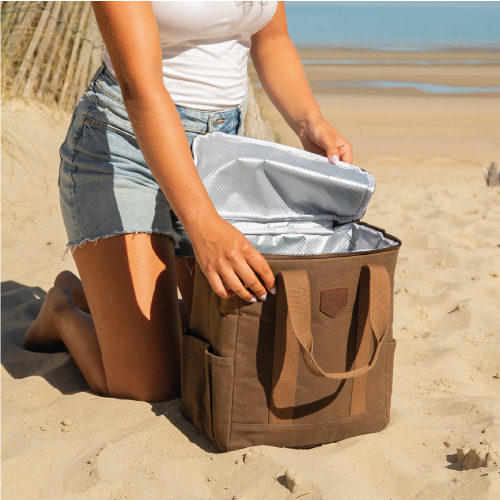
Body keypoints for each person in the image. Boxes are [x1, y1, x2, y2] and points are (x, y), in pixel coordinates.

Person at [24, 1, 353, 402]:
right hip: (125, 148)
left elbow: (272, 38)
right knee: (150, 383)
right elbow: (140, 87)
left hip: (216, 156)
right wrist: (204, 226)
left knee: (231, 335)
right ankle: (61, 310)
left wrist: (309, 120)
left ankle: (95, 296)